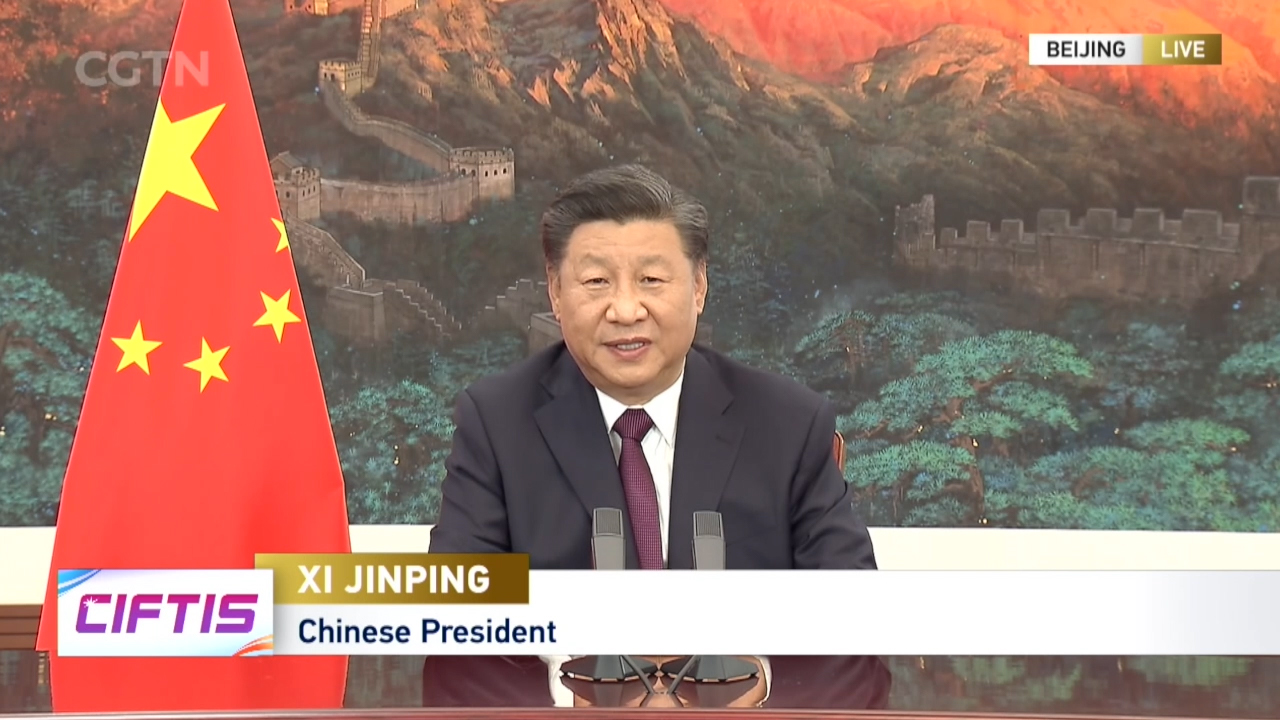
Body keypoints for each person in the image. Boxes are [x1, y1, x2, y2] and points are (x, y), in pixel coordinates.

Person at [428, 163, 877, 570]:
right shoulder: (497, 423)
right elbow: (459, 606)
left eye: (651, 280)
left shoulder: (787, 424)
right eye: (597, 281)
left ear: (698, 287)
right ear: (555, 292)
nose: (625, 310)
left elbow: (852, 608)